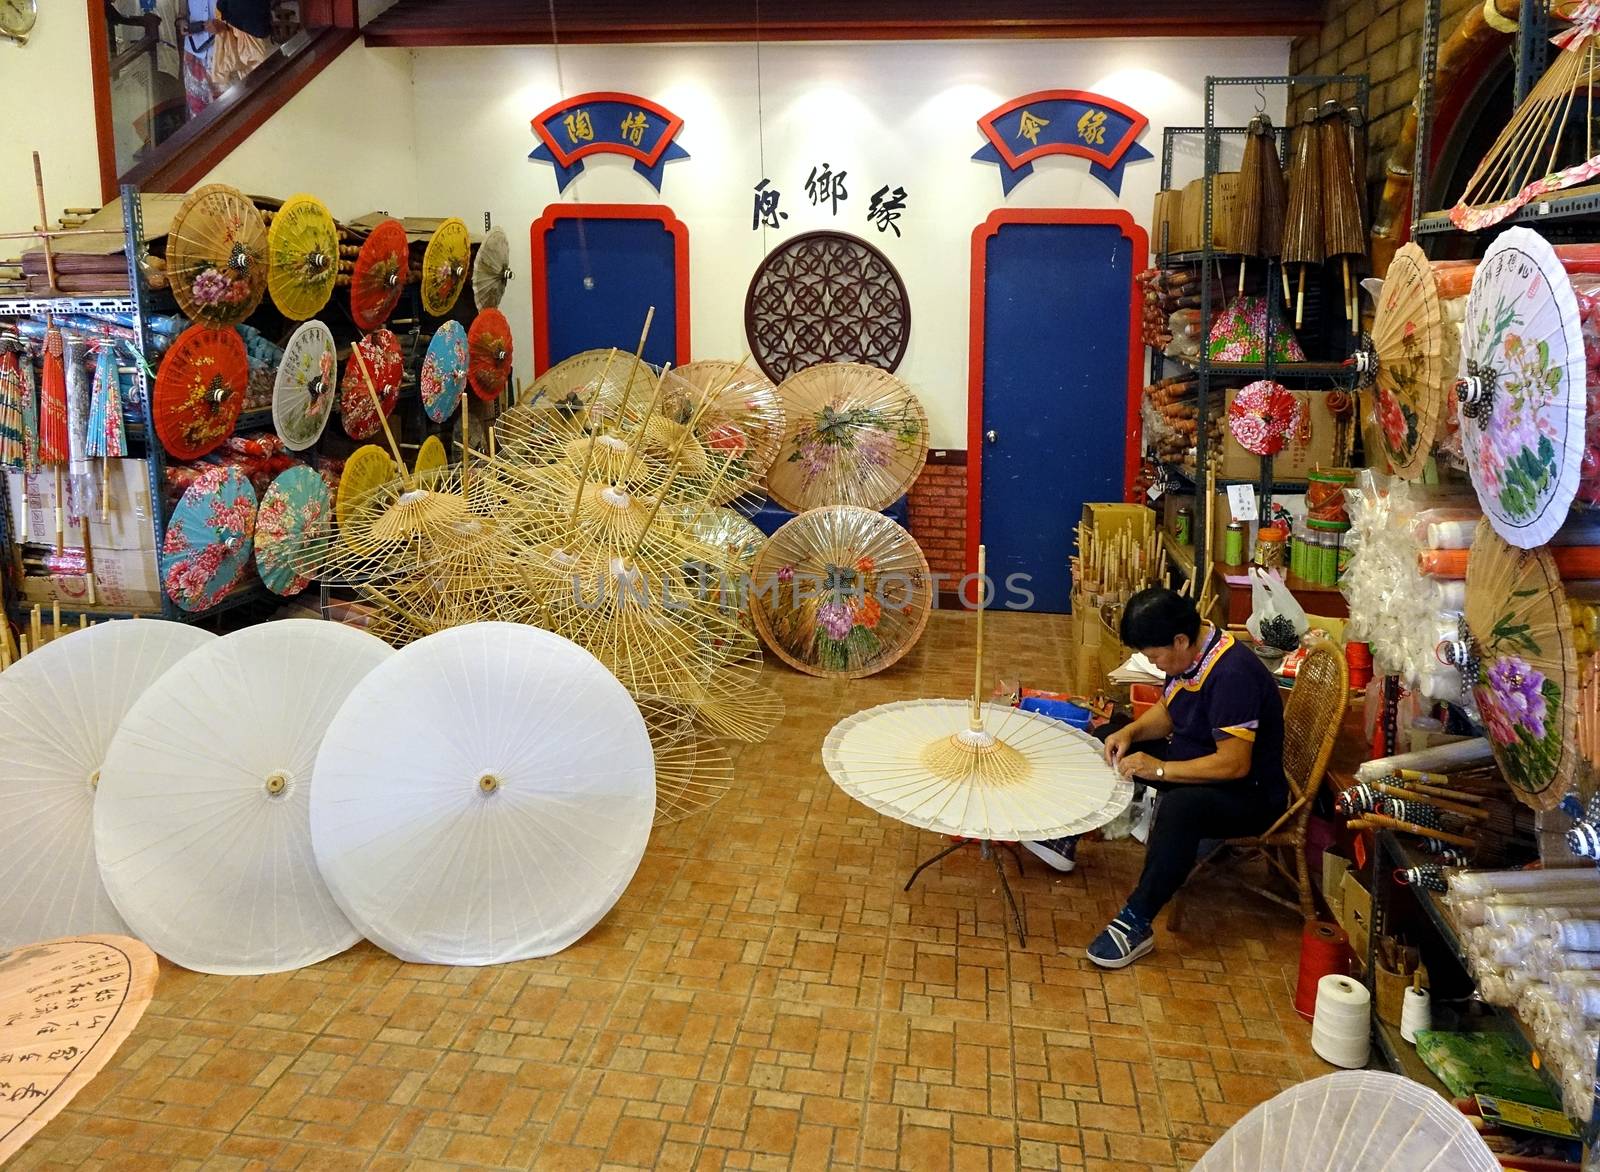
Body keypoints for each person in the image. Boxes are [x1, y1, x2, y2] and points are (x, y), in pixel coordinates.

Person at [1031, 587, 1286, 968]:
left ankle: (1137, 921)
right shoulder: (1193, 654)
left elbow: (1234, 764)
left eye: (1154, 657)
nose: (1154, 664)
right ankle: (1066, 836)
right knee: (1106, 740)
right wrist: (1130, 733)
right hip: (1201, 760)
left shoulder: (1233, 675)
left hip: (1247, 793)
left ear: (1180, 640)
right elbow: (1170, 710)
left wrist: (1161, 769)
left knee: (1180, 810)